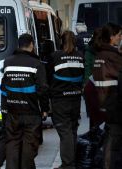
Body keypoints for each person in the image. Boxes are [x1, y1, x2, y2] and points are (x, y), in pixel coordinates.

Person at [2, 34, 49, 169]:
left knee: (12, 144)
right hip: (31, 112)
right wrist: (44, 109)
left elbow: (4, 89)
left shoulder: (7, 62)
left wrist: (5, 109)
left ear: (19, 45)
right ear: (31, 45)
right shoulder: (37, 64)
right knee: (29, 146)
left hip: (13, 112)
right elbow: (43, 89)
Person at [48, 30, 84, 169]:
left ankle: (68, 165)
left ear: (61, 41)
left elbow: (48, 76)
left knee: (65, 132)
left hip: (60, 99)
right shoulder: (80, 56)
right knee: (72, 130)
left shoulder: (56, 56)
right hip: (75, 98)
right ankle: (71, 162)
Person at [92, 23, 122, 169]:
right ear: (111, 37)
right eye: (119, 35)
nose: (120, 38)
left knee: (110, 139)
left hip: (103, 103)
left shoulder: (99, 55)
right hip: (114, 104)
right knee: (113, 143)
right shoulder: (113, 56)